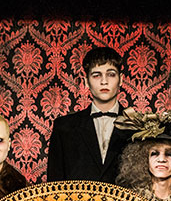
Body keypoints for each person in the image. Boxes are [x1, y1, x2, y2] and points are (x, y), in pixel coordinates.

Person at [45, 46, 132, 184]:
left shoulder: (137, 126)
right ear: (86, 81)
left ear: (121, 79)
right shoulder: (64, 127)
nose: (104, 81)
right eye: (96, 75)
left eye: (111, 74)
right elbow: (54, 185)